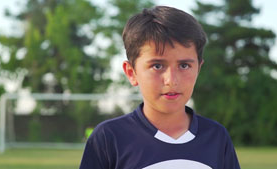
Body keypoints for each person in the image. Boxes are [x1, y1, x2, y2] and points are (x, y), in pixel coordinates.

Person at [80, 6, 240, 169]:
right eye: (157, 66)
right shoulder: (108, 138)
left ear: (198, 69)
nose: (171, 80)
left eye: (184, 65)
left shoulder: (216, 137)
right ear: (131, 72)